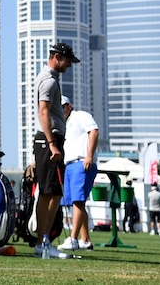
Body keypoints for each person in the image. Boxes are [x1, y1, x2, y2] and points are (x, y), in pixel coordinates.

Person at [34, 42, 80, 259]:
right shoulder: (49, 81)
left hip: (50, 140)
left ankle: (42, 242)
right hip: (48, 141)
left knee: (52, 192)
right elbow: (43, 112)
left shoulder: (50, 79)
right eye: (68, 61)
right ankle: (42, 242)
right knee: (48, 192)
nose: (69, 65)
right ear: (57, 57)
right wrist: (52, 143)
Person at [59, 95, 99, 251]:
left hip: (81, 162)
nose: (61, 109)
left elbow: (94, 131)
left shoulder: (80, 116)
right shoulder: (65, 123)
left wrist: (89, 156)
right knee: (76, 203)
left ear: (69, 106)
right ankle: (85, 240)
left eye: (63, 106)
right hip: (69, 165)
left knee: (77, 201)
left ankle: (74, 238)